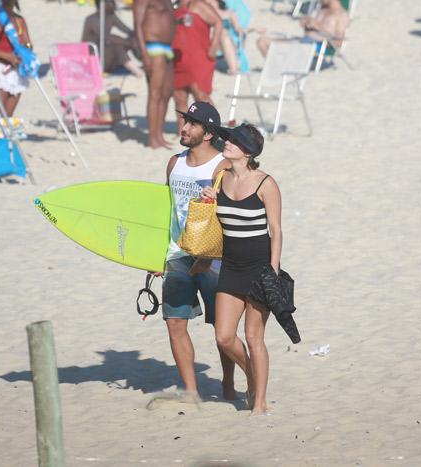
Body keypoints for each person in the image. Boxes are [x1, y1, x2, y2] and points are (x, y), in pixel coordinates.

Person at [153, 101, 241, 402]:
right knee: (175, 323)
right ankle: (191, 392)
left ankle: (229, 383)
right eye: (184, 120)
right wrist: (152, 255)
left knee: (223, 330)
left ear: (207, 133)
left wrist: (210, 258)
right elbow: (163, 211)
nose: (184, 127)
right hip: (177, 255)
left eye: (191, 123)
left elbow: (232, 214)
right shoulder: (173, 162)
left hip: (215, 258)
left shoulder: (221, 165)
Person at [201, 123, 282, 417]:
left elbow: (276, 229)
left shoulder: (266, 184)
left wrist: (272, 271)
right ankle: (252, 377)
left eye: (234, 141)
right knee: (223, 336)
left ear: (248, 152)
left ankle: (259, 403)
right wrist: (209, 199)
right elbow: (213, 221)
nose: (227, 143)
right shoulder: (219, 175)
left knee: (253, 337)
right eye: (228, 139)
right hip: (231, 266)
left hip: (260, 268)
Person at [171, 0, 223, 135]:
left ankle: (215, 130)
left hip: (198, 56)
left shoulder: (197, 4)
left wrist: (214, 45)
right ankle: (182, 132)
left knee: (201, 95)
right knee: (179, 97)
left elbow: (218, 22)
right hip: (178, 58)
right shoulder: (174, 6)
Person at [133, 0, 177, 149]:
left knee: (166, 92)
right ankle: (153, 139)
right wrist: (144, 55)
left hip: (166, 46)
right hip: (152, 46)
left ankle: (159, 136)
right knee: (155, 92)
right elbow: (137, 24)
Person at [256, 0, 349, 58]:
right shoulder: (322, 10)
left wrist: (317, 26)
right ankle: (276, 69)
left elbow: (338, 42)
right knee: (262, 41)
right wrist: (307, 25)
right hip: (303, 41)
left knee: (268, 44)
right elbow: (311, 30)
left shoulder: (341, 15)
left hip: (316, 46)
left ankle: (276, 70)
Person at [82, 0, 144, 78]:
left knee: (131, 38)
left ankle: (145, 62)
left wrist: (134, 38)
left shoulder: (111, 17)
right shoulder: (91, 20)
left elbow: (128, 31)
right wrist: (129, 43)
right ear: (103, 4)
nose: (115, 4)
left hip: (106, 58)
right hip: (94, 61)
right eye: (111, 2)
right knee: (116, 44)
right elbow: (107, 36)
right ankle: (137, 71)